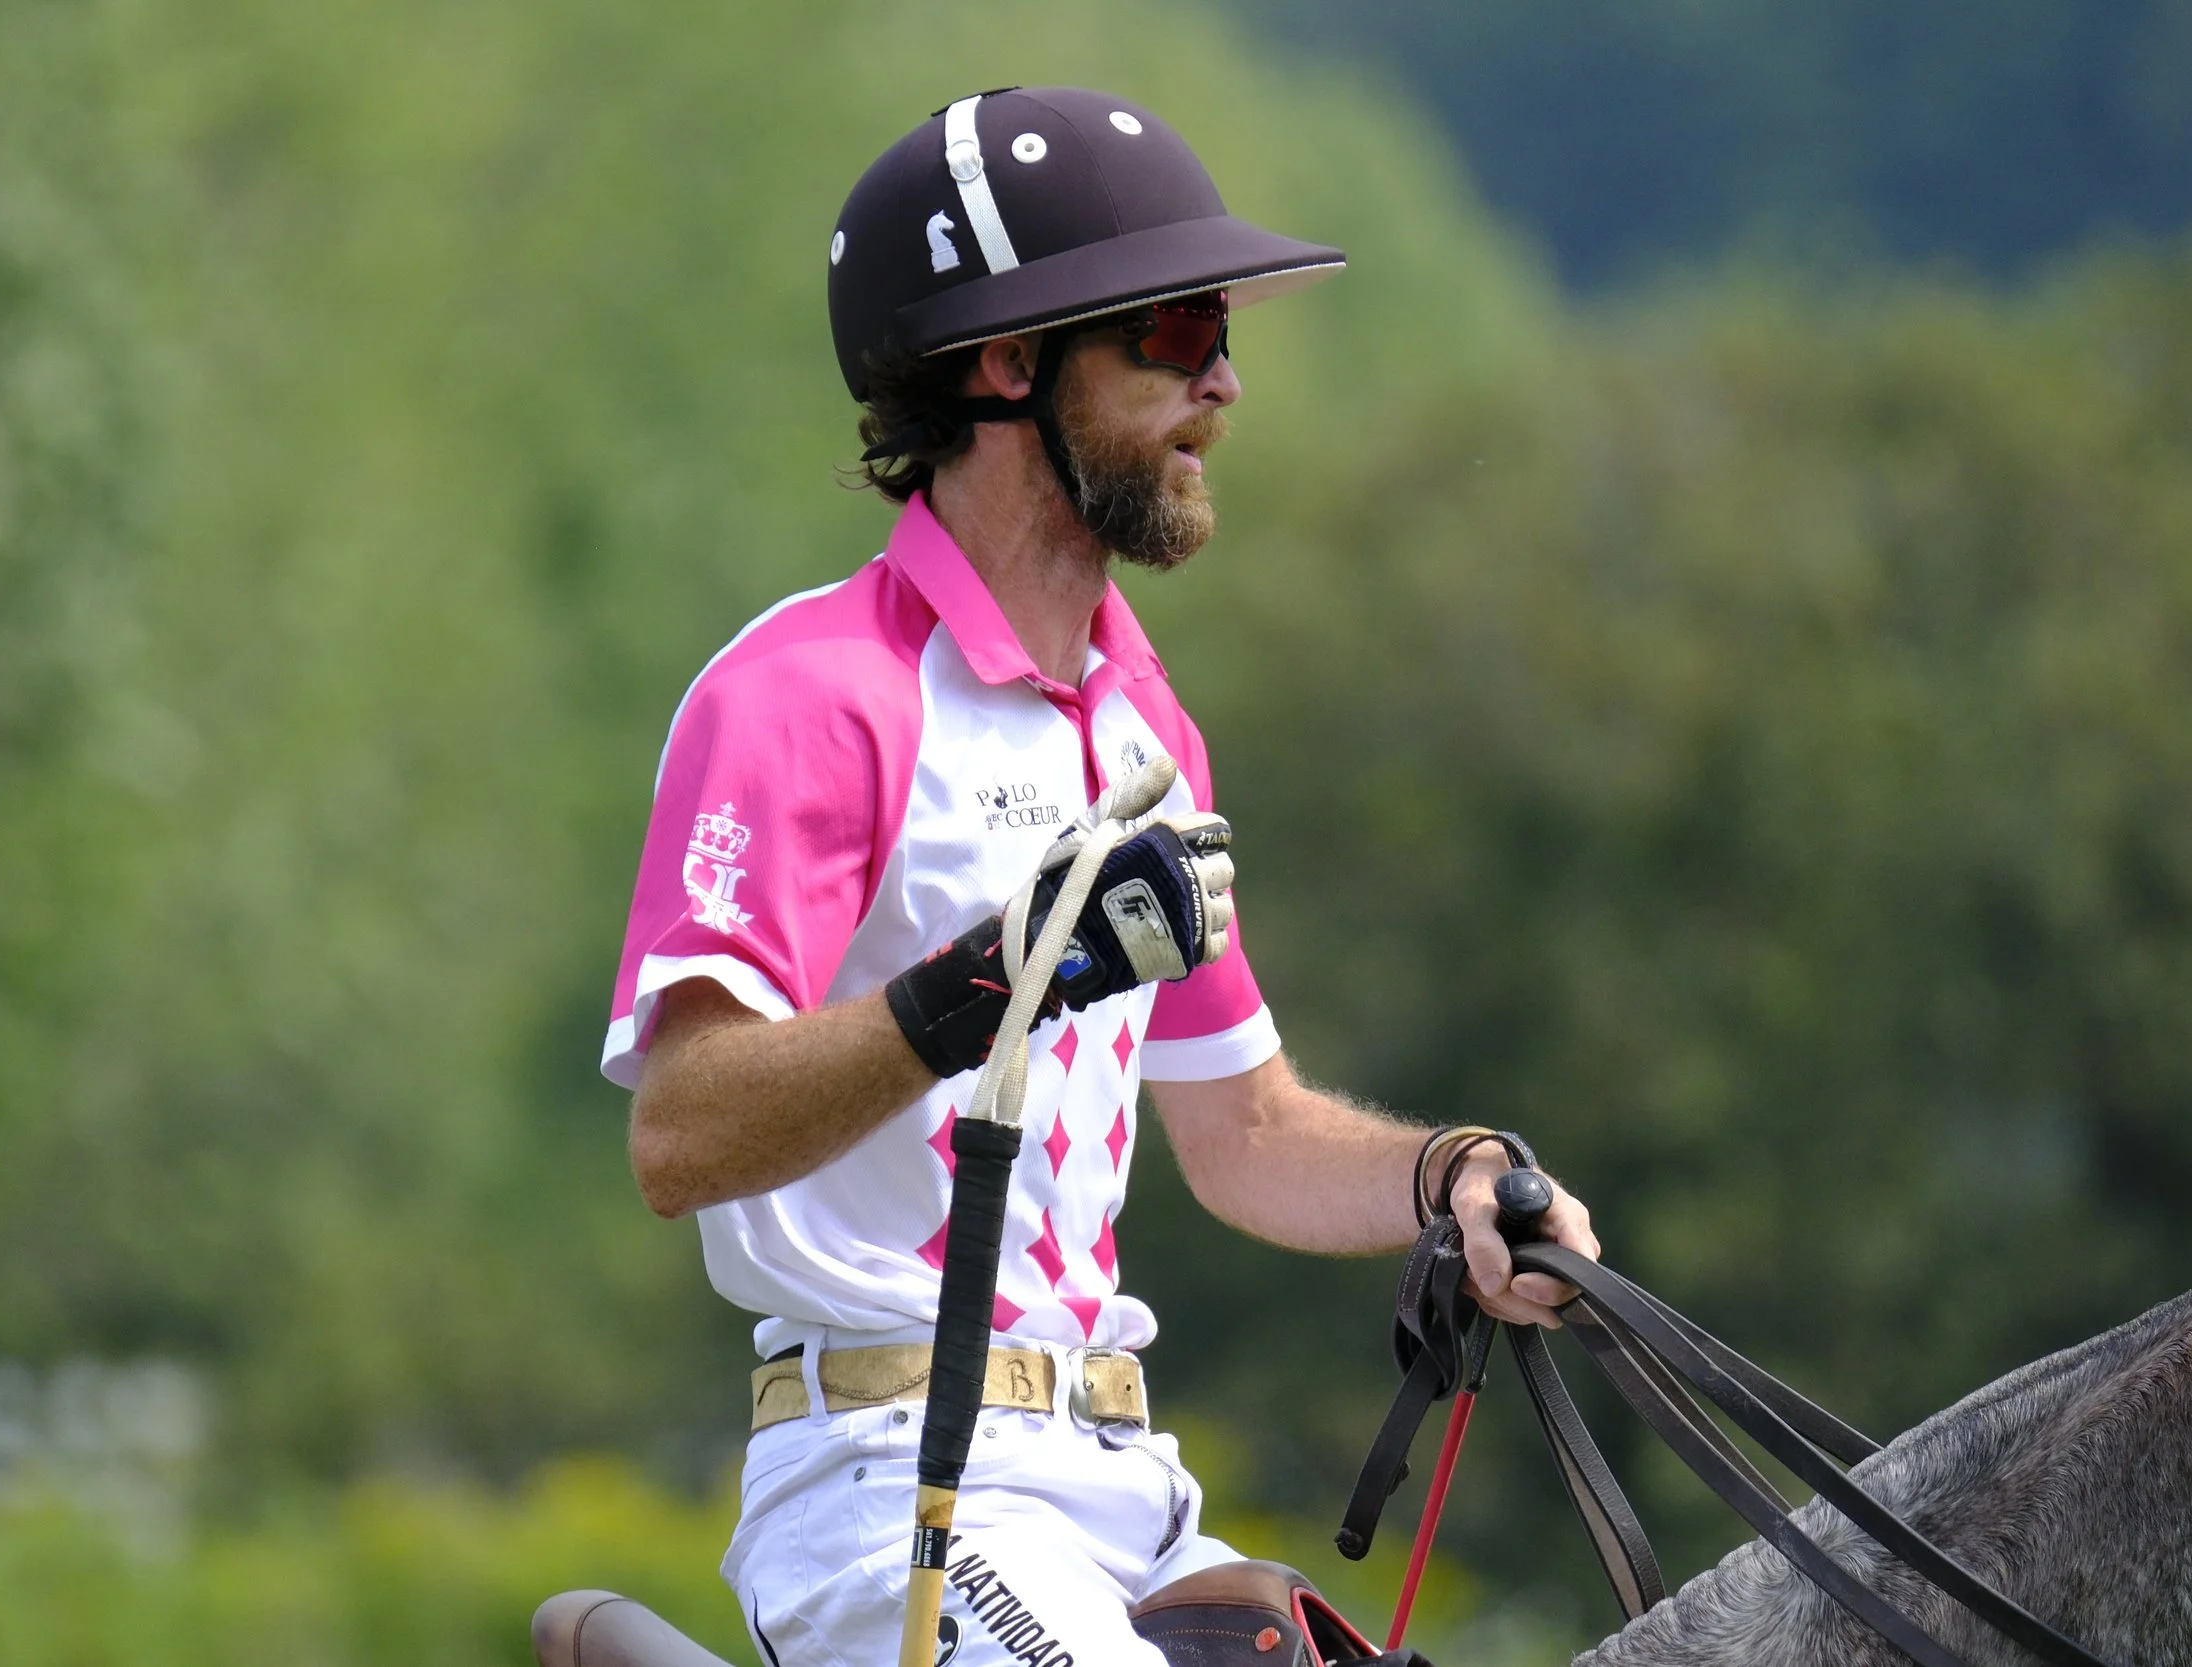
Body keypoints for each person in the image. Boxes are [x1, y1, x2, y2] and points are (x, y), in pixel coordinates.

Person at [603, 87, 1603, 1667]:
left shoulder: (1146, 727)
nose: (1224, 381)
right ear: (1009, 362)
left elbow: (1248, 1132)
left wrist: (1453, 1176)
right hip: (890, 1480)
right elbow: (683, 1131)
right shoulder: (807, 694)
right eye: (1178, 328)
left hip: (1127, 1484)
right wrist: (994, 981)